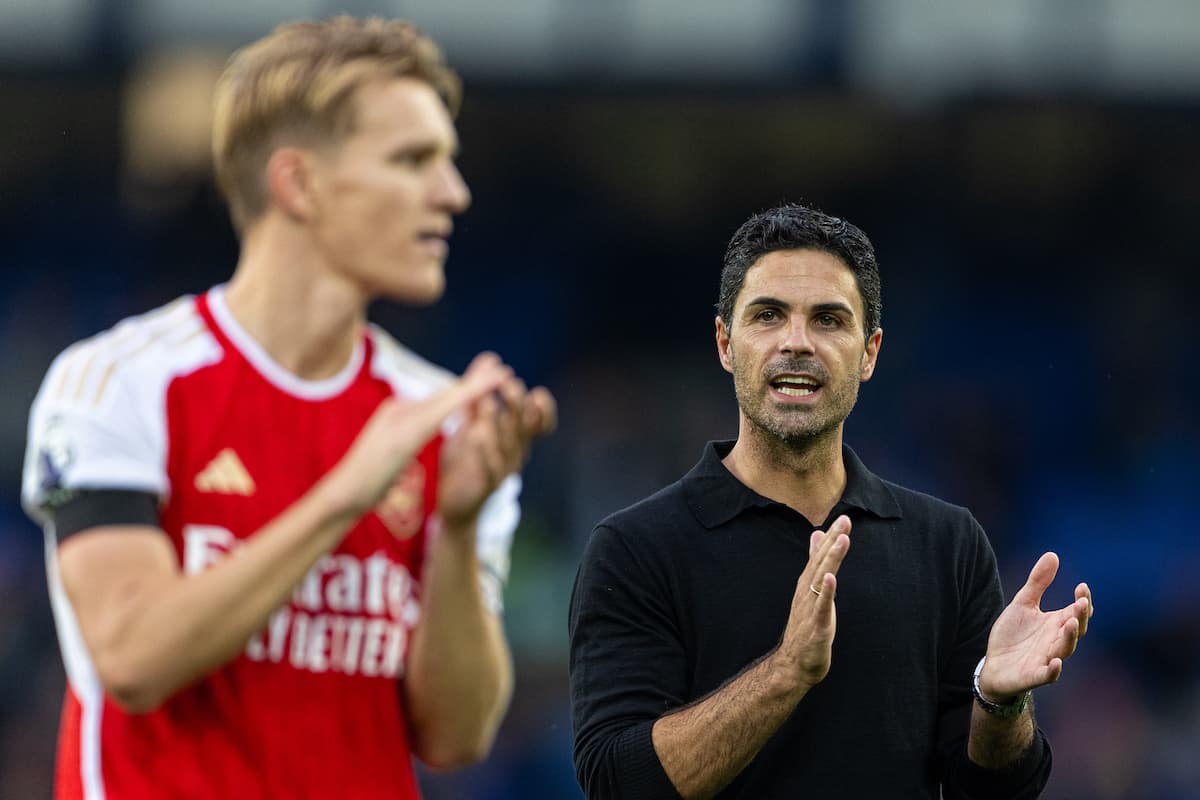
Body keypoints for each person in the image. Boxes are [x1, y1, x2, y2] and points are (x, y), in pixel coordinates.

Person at [21, 16, 556, 799]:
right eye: (413, 160)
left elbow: (457, 734)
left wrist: (460, 522)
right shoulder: (116, 381)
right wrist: (345, 492)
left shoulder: (446, 419)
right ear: (297, 182)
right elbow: (133, 659)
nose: (453, 193)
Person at [568, 203, 1093, 799]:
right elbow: (617, 783)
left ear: (869, 352)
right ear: (724, 342)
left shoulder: (947, 543)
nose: (797, 343)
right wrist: (787, 672)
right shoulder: (636, 549)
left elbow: (993, 790)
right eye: (768, 316)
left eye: (828, 320)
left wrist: (999, 702)